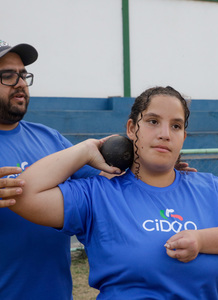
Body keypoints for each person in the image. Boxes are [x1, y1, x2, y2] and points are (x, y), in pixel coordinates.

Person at [8, 86, 218, 299]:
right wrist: (86, 149)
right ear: (132, 129)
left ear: (184, 137)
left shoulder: (209, 187)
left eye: (176, 126)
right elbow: (22, 194)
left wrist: (201, 241)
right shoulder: (98, 195)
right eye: (153, 121)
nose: (165, 134)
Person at [0, 40, 101, 299]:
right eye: (8, 76)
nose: (21, 83)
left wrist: (156, 168)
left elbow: (107, 183)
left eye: (23, 75)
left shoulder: (50, 139)